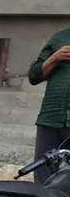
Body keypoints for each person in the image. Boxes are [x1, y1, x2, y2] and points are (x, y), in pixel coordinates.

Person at [28, 28, 70, 183]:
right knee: (43, 175)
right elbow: (33, 76)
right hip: (50, 117)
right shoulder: (60, 37)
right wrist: (54, 58)